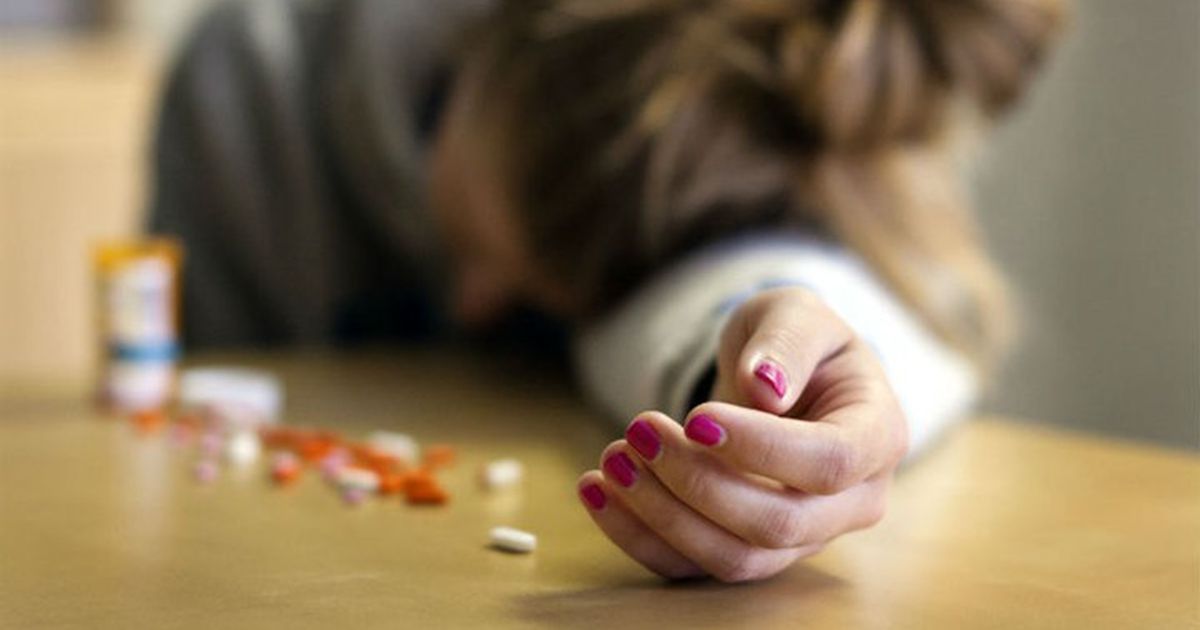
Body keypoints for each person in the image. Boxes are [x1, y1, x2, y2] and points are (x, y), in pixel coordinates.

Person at [149, 0, 1065, 582]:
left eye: (543, 295)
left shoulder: (767, 145)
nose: (471, 308)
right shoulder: (251, 84)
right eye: (475, 239)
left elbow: (778, 302)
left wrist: (795, 375)